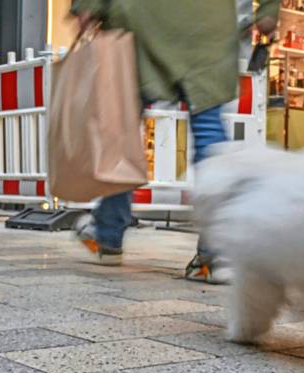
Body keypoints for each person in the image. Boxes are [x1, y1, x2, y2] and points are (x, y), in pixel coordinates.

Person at [70, 0, 278, 283]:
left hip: (142, 20)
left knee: (123, 128)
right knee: (208, 133)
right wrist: (266, 11)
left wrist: (88, 5)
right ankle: (215, 254)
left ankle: (108, 235)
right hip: (208, 23)